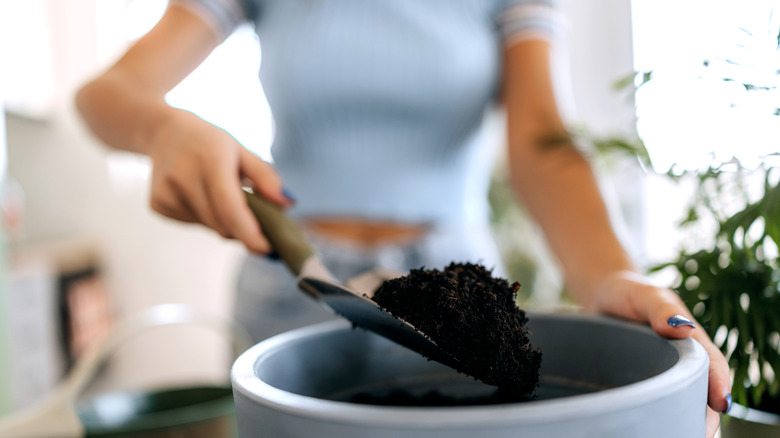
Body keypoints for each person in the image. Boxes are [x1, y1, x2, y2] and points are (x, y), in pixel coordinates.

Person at [75, 0, 730, 434]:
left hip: (456, 301)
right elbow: (108, 93)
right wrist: (163, 128)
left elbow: (541, 142)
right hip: (288, 288)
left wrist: (610, 273)